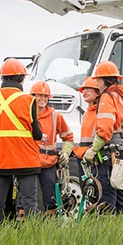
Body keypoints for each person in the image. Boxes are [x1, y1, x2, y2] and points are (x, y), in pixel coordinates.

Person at [0, 58, 42, 222]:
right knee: (30, 202)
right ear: (22, 78)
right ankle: (33, 236)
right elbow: (37, 135)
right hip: (25, 160)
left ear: (2, 78)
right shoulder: (28, 101)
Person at [84, 61, 123, 214]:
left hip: (110, 148)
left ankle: (107, 223)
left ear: (102, 80)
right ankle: (120, 223)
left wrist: (93, 150)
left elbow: (105, 128)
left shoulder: (107, 97)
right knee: (120, 188)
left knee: (106, 188)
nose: (96, 83)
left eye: (97, 80)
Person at [30, 81, 75, 215]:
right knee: (25, 197)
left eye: (45, 96)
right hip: (30, 161)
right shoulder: (26, 115)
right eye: (39, 95)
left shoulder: (56, 116)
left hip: (49, 163)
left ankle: (49, 225)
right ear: (32, 96)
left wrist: (66, 153)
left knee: (50, 198)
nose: (42, 99)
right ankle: (25, 224)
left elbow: (69, 138)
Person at [73, 78, 100, 165]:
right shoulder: (87, 113)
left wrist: (93, 151)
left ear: (97, 93)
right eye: (83, 90)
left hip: (94, 157)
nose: (84, 92)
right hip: (84, 155)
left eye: (87, 89)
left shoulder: (100, 112)